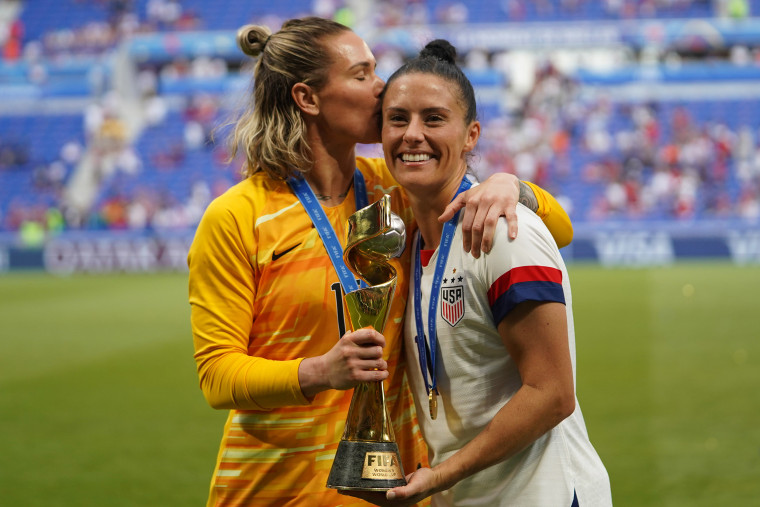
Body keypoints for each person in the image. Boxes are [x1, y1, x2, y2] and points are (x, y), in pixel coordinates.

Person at [188, 18, 573, 507]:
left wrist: (510, 187)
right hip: (277, 489)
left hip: (390, 491)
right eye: (362, 74)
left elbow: (557, 230)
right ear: (308, 99)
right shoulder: (237, 217)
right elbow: (217, 375)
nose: (381, 87)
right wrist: (319, 371)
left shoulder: (395, 190)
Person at [373, 40, 612, 506]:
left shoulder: (503, 232)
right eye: (397, 119)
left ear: (471, 136)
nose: (412, 134)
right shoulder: (411, 243)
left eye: (434, 118)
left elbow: (552, 394)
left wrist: (442, 474)